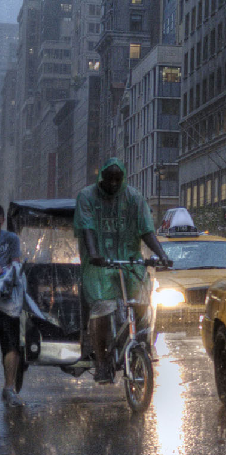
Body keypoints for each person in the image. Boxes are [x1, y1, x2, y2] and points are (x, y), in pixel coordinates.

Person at [74, 158, 172, 383]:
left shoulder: (135, 198)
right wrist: (93, 253)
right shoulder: (87, 197)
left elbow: (147, 231)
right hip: (99, 266)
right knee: (102, 307)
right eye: (110, 179)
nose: (114, 183)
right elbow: (87, 228)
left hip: (130, 263)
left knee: (141, 303)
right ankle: (101, 361)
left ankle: (138, 345)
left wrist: (162, 255)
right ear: (103, 178)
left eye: (118, 179)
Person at [0, 206, 24, 406]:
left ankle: (9, 388)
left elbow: (16, 265)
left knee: (11, 345)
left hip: (6, 301)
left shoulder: (11, 239)